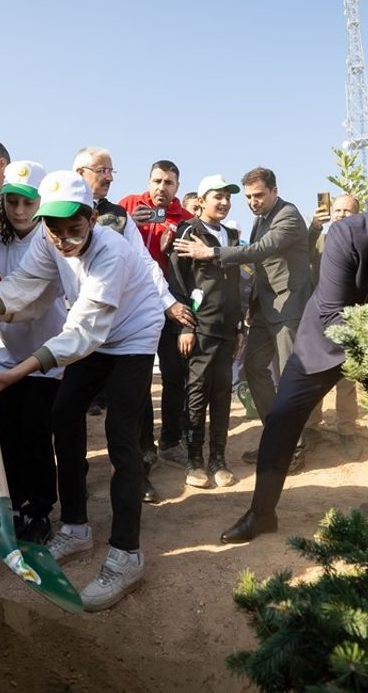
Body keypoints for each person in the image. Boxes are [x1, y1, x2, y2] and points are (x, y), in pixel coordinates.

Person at [0, 170, 164, 612]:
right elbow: (26, 285)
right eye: (55, 229)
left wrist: (17, 372)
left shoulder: (110, 252)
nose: (64, 239)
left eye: (75, 228)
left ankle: (126, 555)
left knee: (121, 439)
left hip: (131, 334)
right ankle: (75, 527)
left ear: (92, 219)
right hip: (88, 334)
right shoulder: (46, 239)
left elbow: (84, 330)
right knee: (63, 416)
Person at [219, 206, 368, 543]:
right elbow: (332, 315)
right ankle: (261, 514)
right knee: (281, 420)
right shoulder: (350, 233)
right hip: (325, 346)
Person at [73, 147, 195, 501]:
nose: (110, 176)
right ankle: (73, 475)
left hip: (132, 320)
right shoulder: (123, 207)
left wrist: (169, 301)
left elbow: (145, 264)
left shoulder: (119, 217)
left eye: (112, 170)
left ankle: (141, 467)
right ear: (80, 172)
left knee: (135, 398)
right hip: (80, 323)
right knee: (69, 408)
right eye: (103, 170)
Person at [174, 167, 311, 466]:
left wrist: (211, 254)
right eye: (248, 197)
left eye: (259, 195)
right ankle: (277, 439)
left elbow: (261, 250)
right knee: (252, 368)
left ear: (274, 191)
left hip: (288, 307)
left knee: (289, 377)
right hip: (263, 308)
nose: (253, 202)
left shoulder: (288, 215)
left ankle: (294, 449)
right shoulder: (259, 219)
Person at [0, 160, 65, 544]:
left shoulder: (51, 241)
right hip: (4, 353)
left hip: (44, 357)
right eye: (12, 202)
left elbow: (38, 299)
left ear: (41, 203)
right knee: (3, 435)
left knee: (36, 435)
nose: (20, 211)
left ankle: (38, 511)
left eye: (28, 203)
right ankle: (7, 509)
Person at [168, 175, 244, 489]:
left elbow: (239, 283)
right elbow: (177, 281)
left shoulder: (233, 235)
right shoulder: (189, 231)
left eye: (228, 197)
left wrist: (240, 326)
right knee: (197, 394)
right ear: (201, 200)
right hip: (200, 329)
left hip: (228, 329)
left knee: (223, 394)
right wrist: (184, 326)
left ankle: (219, 459)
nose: (224, 202)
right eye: (218, 197)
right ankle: (195, 460)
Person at [118, 160, 194, 468]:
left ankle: (171, 440)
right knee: (140, 377)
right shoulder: (126, 207)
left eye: (169, 183)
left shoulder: (186, 219)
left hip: (171, 304)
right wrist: (129, 224)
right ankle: (144, 445)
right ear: (148, 181)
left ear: (177, 188)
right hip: (134, 303)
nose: (161, 188)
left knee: (175, 374)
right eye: (157, 181)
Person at [306, 194, 365, 447]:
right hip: (319, 317)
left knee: (346, 378)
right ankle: (311, 427)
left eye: (347, 211)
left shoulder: (364, 242)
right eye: (337, 209)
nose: (340, 214)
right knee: (314, 373)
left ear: (358, 215)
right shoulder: (321, 240)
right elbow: (302, 254)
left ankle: (347, 431)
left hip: (350, 317)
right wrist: (314, 227)